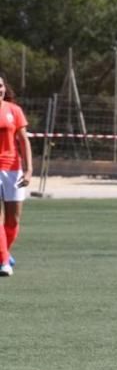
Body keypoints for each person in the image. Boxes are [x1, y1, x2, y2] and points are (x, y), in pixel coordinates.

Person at [0, 75, 33, 277]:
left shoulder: (14, 110)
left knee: (13, 220)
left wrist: (29, 169)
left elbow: (23, 141)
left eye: (1, 85)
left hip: (13, 169)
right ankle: (4, 262)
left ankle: (4, 252)